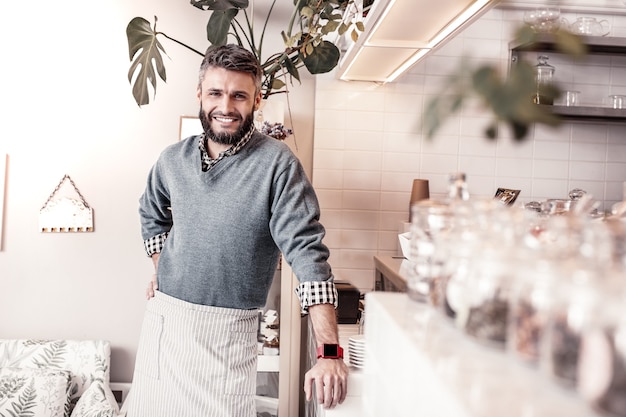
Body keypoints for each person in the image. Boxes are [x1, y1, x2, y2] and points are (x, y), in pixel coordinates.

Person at [125, 44, 348, 417]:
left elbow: (307, 254)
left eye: (239, 95)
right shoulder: (171, 159)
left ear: (257, 99)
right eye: (215, 93)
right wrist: (159, 265)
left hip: (226, 337)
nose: (225, 107)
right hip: (165, 328)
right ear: (200, 95)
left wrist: (329, 352)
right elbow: (151, 212)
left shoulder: (278, 165)